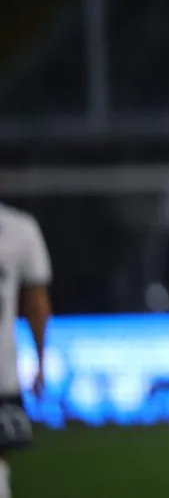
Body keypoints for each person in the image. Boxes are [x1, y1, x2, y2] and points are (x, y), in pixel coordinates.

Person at [0, 203, 52, 498]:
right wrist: (40, 361)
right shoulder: (19, 228)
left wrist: (40, 362)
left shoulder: (21, 228)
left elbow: (36, 302)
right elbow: (37, 302)